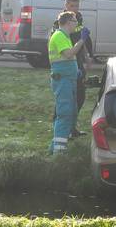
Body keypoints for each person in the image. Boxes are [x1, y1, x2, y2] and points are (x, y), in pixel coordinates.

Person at [52, 0, 94, 138]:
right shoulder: (61, 21)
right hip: (66, 64)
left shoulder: (78, 19)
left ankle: (72, 128)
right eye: (71, 6)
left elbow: (84, 39)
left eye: (76, 6)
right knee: (65, 99)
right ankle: (59, 127)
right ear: (66, 5)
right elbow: (67, 47)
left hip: (78, 62)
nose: (75, 9)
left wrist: (88, 56)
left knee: (80, 96)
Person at [48, 11, 89, 155]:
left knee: (70, 112)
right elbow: (69, 54)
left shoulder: (64, 36)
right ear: (67, 22)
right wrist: (82, 40)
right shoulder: (59, 36)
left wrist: (75, 71)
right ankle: (59, 152)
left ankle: (55, 147)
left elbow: (67, 59)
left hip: (68, 79)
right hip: (63, 80)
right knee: (64, 113)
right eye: (74, 21)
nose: (76, 23)